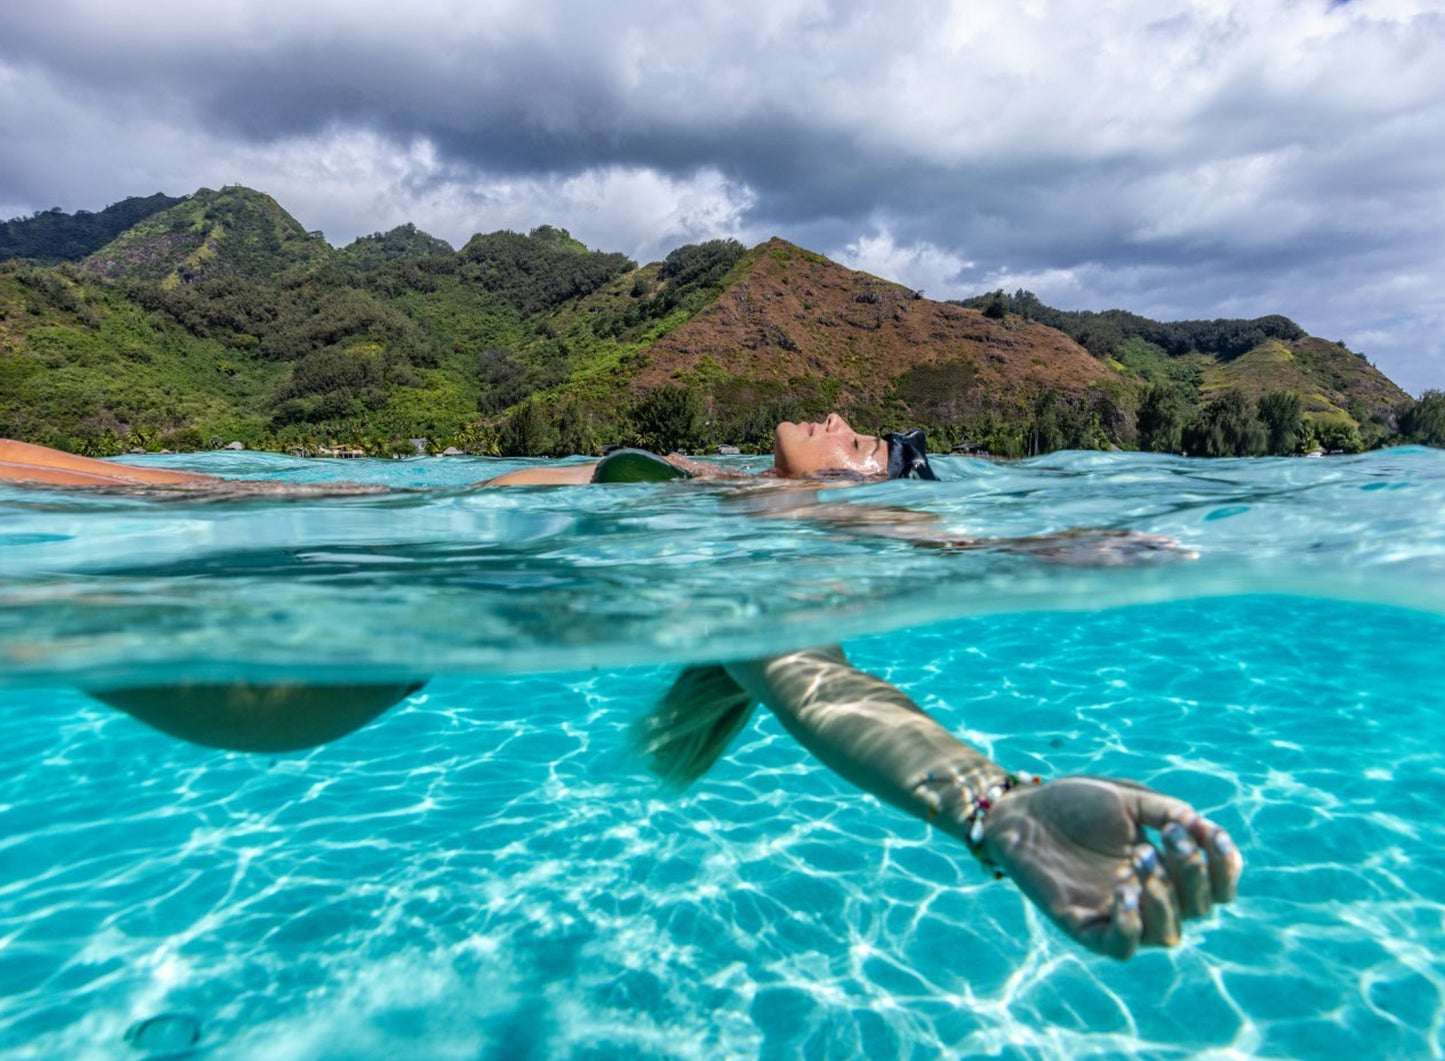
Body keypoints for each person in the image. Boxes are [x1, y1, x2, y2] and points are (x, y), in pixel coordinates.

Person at [4, 417, 1241, 959]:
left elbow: (812, 679)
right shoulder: (717, 499)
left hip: (276, 668)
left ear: (874, 487)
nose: (844, 417)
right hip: (297, 572)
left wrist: (992, 803)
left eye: (878, 444)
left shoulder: (768, 548)